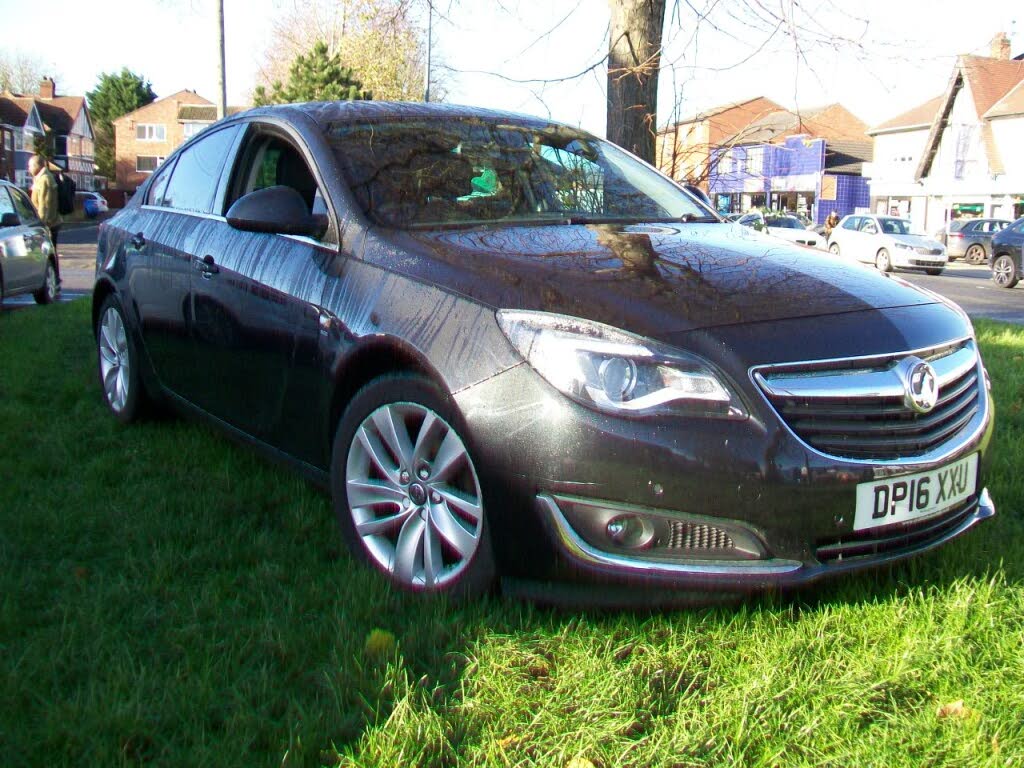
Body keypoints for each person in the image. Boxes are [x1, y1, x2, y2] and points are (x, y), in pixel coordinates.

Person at [28, 154, 62, 286]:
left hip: (49, 223)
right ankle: (53, 278)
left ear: (37, 165)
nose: (29, 168)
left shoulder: (44, 179)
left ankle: (52, 279)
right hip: (51, 222)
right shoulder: (41, 178)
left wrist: (41, 224)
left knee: (46, 252)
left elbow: (44, 205)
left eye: (30, 165)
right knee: (47, 251)